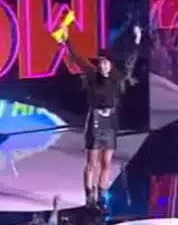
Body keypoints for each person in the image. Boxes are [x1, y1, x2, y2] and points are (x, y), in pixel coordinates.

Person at [58, 25, 142, 208]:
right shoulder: (91, 75)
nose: (103, 66)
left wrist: (136, 41)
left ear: (111, 65)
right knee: (92, 162)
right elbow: (77, 58)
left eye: (106, 63)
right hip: (95, 120)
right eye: (101, 63)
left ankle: (102, 193)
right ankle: (90, 196)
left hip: (110, 121)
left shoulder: (117, 78)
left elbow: (130, 60)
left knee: (107, 162)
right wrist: (67, 41)